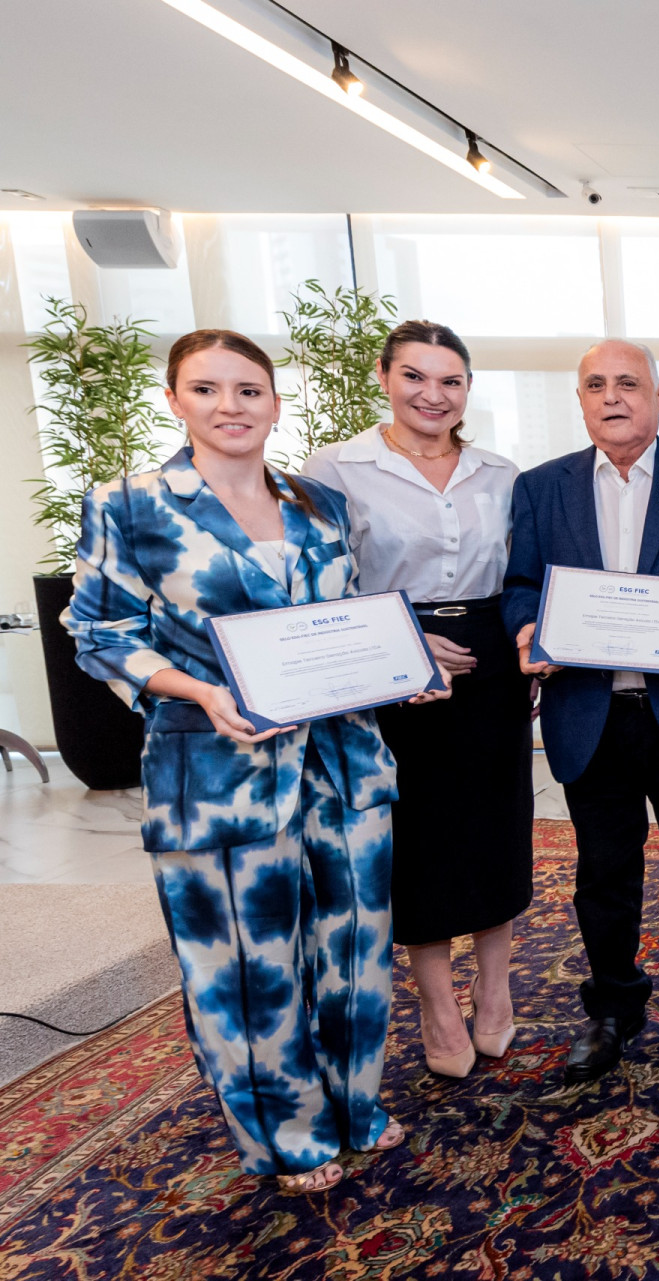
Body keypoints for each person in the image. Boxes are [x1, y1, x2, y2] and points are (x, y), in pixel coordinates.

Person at [63, 330, 445, 1193]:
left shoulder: (319, 505)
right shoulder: (131, 505)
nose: (229, 406)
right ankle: (288, 1132)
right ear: (175, 400)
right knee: (246, 964)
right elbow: (96, 631)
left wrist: (402, 669)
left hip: (344, 762)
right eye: (207, 389)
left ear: (276, 403)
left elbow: (346, 619)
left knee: (353, 946)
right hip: (219, 773)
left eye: (248, 390)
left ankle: (354, 1106)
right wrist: (193, 690)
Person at [503, 339, 659, 1081]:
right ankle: (613, 1005)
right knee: (603, 870)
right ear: (579, 400)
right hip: (589, 711)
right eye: (596, 385)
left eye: (628, 383)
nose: (612, 397)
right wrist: (527, 626)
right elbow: (521, 584)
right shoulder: (541, 487)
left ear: (658, 398)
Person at [303, 320, 531, 1080]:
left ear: (468, 388)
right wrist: (401, 641)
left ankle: (494, 989)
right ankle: (437, 1004)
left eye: (450, 380)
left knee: (498, 823)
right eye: (415, 376)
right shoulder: (335, 468)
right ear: (384, 376)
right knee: (422, 834)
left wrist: (532, 650)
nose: (432, 394)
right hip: (392, 662)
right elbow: (318, 587)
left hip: (493, 656)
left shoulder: (500, 471)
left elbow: (521, 573)